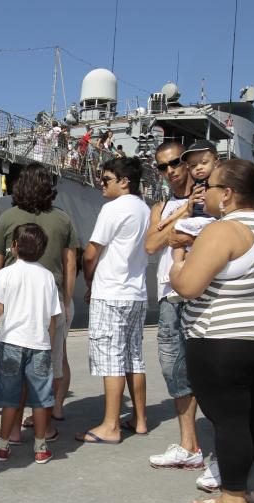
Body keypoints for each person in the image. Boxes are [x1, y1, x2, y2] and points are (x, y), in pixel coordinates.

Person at [169, 159, 254, 503]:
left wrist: (178, 258)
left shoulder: (224, 230)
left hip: (222, 335)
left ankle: (233, 500)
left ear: (229, 194)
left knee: (228, 421)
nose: (202, 190)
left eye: (211, 185)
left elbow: (188, 286)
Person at [0, 163, 78, 442]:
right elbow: (70, 263)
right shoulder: (63, 219)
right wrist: (65, 299)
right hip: (52, 303)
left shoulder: (7, 217)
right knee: (48, 368)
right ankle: (46, 428)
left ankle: (11, 431)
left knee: (14, 372)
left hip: (13, 305)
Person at [76, 157, 150, 444]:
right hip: (136, 293)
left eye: (106, 179)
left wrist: (90, 281)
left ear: (124, 181)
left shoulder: (113, 208)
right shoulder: (144, 209)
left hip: (111, 292)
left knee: (111, 359)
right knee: (133, 357)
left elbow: (92, 252)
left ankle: (111, 426)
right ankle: (140, 420)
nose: (101, 184)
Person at [143, 141, 207, 472]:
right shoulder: (161, 207)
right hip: (170, 296)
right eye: (163, 166)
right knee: (173, 369)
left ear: (188, 163)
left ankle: (226, 449)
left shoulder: (212, 198)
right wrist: (183, 212)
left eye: (175, 163)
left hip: (206, 292)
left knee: (212, 370)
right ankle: (189, 445)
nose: (170, 171)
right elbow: (152, 244)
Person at [0, 223, 61, 464]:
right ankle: (40, 447)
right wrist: (48, 344)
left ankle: (3, 444)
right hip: (39, 344)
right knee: (41, 398)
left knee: (10, 396)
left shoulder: (6, 273)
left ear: (15, 247)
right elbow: (52, 318)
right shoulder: (48, 277)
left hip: (11, 342)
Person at [168, 140, 219, 240]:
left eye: (204, 162)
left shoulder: (219, 182)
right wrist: (168, 220)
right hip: (196, 220)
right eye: (193, 165)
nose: (199, 167)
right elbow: (187, 206)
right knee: (176, 234)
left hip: (212, 221)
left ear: (216, 162)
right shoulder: (197, 185)